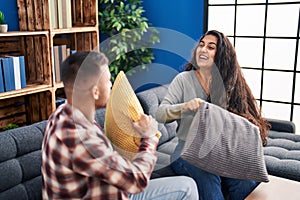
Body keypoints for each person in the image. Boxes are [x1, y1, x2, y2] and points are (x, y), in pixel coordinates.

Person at [41, 51, 198, 200]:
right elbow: (136, 181)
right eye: (108, 80)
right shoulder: (81, 138)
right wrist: (149, 136)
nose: (111, 85)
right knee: (187, 187)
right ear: (95, 92)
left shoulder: (62, 114)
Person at [156, 30, 271, 200]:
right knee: (209, 183)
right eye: (201, 45)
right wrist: (185, 107)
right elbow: (160, 114)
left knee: (246, 183)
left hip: (220, 150)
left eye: (211, 47)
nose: (203, 50)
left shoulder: (229, 84)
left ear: (221, 55)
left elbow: (245, 120)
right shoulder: (183, 79)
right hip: (186, 150)